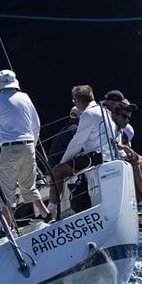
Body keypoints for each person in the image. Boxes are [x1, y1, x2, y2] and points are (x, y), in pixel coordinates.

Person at [0, 69, 51, 232]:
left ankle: (7, 228)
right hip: (29, 145)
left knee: (7, 190)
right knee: (28, 186)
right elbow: (36, 124)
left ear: (1, 85)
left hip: (10, 149)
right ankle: (47, 215)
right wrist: (32, 144)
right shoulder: (25, 97)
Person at [47, 85, 117, 217]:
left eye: (74, 101)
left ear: (78, 101)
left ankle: (49, 212)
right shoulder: (104, 112)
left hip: (96, 157)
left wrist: (62, 163)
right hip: (107, 155)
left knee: (58, 171)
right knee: (64, 168)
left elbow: (77, 143)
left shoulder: (88, 114)